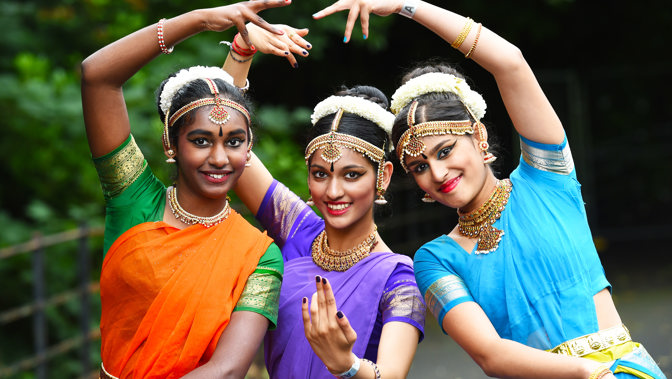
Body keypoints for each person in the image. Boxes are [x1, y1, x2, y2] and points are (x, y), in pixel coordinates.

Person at [314, 1, 667, 379]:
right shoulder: (436, 260)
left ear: (479, 136)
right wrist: (588, 374)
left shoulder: (546, 180)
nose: (437, 171)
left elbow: (510, 63)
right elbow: (491, 354)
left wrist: (407, 6)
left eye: (445, 151)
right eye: (419, 166)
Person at [80, 2, 307, 377]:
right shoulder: (132, 199)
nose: (219, 157)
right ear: (171, 145)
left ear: (248, 149)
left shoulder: (259, 255)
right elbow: (96, 77)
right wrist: (199, 20)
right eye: (201, 141)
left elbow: (228, 370)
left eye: (234, 142)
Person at [221, 25, 426, 378]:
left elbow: (390, 375)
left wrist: (346, 365)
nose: (332, 192)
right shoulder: (297, 227)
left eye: (351, 175)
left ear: (384, 176)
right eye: (320, 174)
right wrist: (242, 49)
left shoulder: (398, 279)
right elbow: (224, 137)